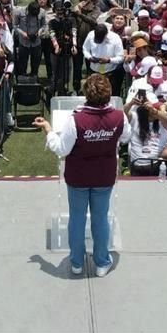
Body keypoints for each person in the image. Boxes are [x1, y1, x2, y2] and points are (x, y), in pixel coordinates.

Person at [33, 74, 130, 277]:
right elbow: (126, 136)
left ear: (87, 94)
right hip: (104, 176)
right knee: (100, 218)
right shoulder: (120, 117)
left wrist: (49, 130)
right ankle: (102, 263)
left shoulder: (75, 120)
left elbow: (61, 149)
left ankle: (76, 263)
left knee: (77, 219)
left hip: (78, 178)